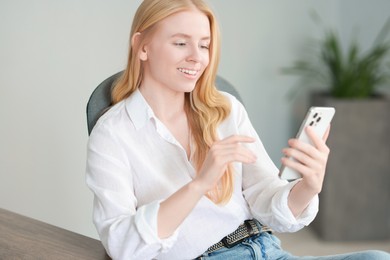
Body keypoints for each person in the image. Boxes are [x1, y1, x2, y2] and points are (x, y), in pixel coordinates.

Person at [86, 0, 390, 259]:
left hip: (267, 249)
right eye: (180, 43)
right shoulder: (112, 134)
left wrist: (308, 186)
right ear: (142, 46)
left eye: (204, 45)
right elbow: (122, 243)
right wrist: (199, 184)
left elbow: (265, 197)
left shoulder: (225, 109)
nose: (197, 56)